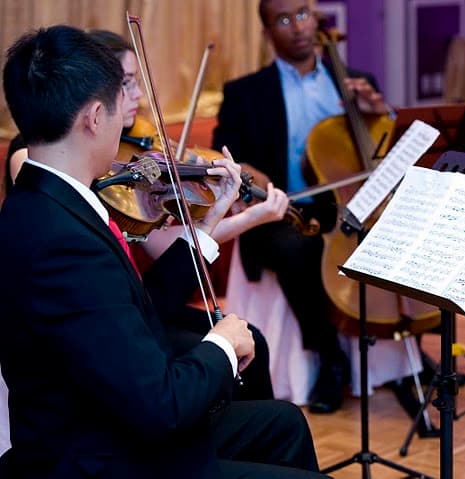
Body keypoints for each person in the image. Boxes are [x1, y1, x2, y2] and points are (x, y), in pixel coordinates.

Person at [0, 24, 326, 478]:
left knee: (282, 425)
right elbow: (161, 403)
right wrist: (221, 346)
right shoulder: (59, 239)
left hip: (116, 422)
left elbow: (135, 303)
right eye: (119, 101)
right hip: (103, 457)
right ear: (95, 117)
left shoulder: (52, 200)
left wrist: (209, 222)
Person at [212, 0, 393, 414]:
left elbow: (381, 155)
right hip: (284, 209)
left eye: (303, 14)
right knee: (296, 249)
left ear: (317, 19)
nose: (297, 27)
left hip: (348, 206)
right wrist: (255, 182)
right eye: (283, 19)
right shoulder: (245, 93)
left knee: (396, 235)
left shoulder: (354, 83)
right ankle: (329, 355)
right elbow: (231, 161)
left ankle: (402, 346)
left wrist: (377, 115)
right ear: (267, 33)